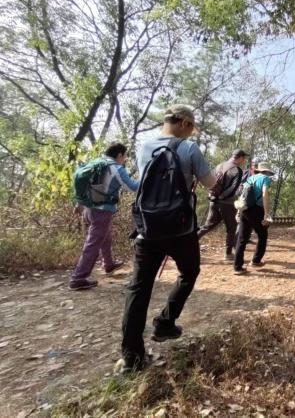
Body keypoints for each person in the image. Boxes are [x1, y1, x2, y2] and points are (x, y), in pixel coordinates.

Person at [120, 104, 216, 373]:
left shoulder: (144, 147)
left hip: (147, 228)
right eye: (192, 127)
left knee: (139, 288)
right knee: (189, 272)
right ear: (184, 123)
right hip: (180, 230)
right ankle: (164, 323)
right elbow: (211, 183)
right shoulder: (189, 148)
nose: (191, 132)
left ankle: (131, 357)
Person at [70, 143, 139, 291]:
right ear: (119, 155)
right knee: (93, 243)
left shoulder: (96, 163)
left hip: (89, 208)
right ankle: (78, 278)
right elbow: (133, 187)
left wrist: (79, 204)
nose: (125, 159)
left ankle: (108, 264)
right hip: (102, 211)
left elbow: (84, 185)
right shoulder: (116, 168)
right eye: (125, 156)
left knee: (105, 236)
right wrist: (150, 180)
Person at [198, 149, 247, 260]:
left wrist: (213, 195)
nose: (244, 161)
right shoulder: (237, 170)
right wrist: (222, 197)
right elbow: (233, 188)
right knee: (231, 228)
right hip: (227, 203)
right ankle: (228, 254)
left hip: (213, 201)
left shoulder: (220, 166)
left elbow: (210, 181)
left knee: (207, 226)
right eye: (244, 159)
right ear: (240, 158)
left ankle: (188, 244)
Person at [233, 162, 275, 275]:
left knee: (242, 239)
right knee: (262, 235)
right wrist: (266, 214)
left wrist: (238, 212)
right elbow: (265, 194)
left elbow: (243, 196)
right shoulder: (265, 179)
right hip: (257, 210)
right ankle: (256, 260)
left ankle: (237, 267)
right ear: (266, 172)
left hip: (245, 209)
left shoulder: (250, 178)